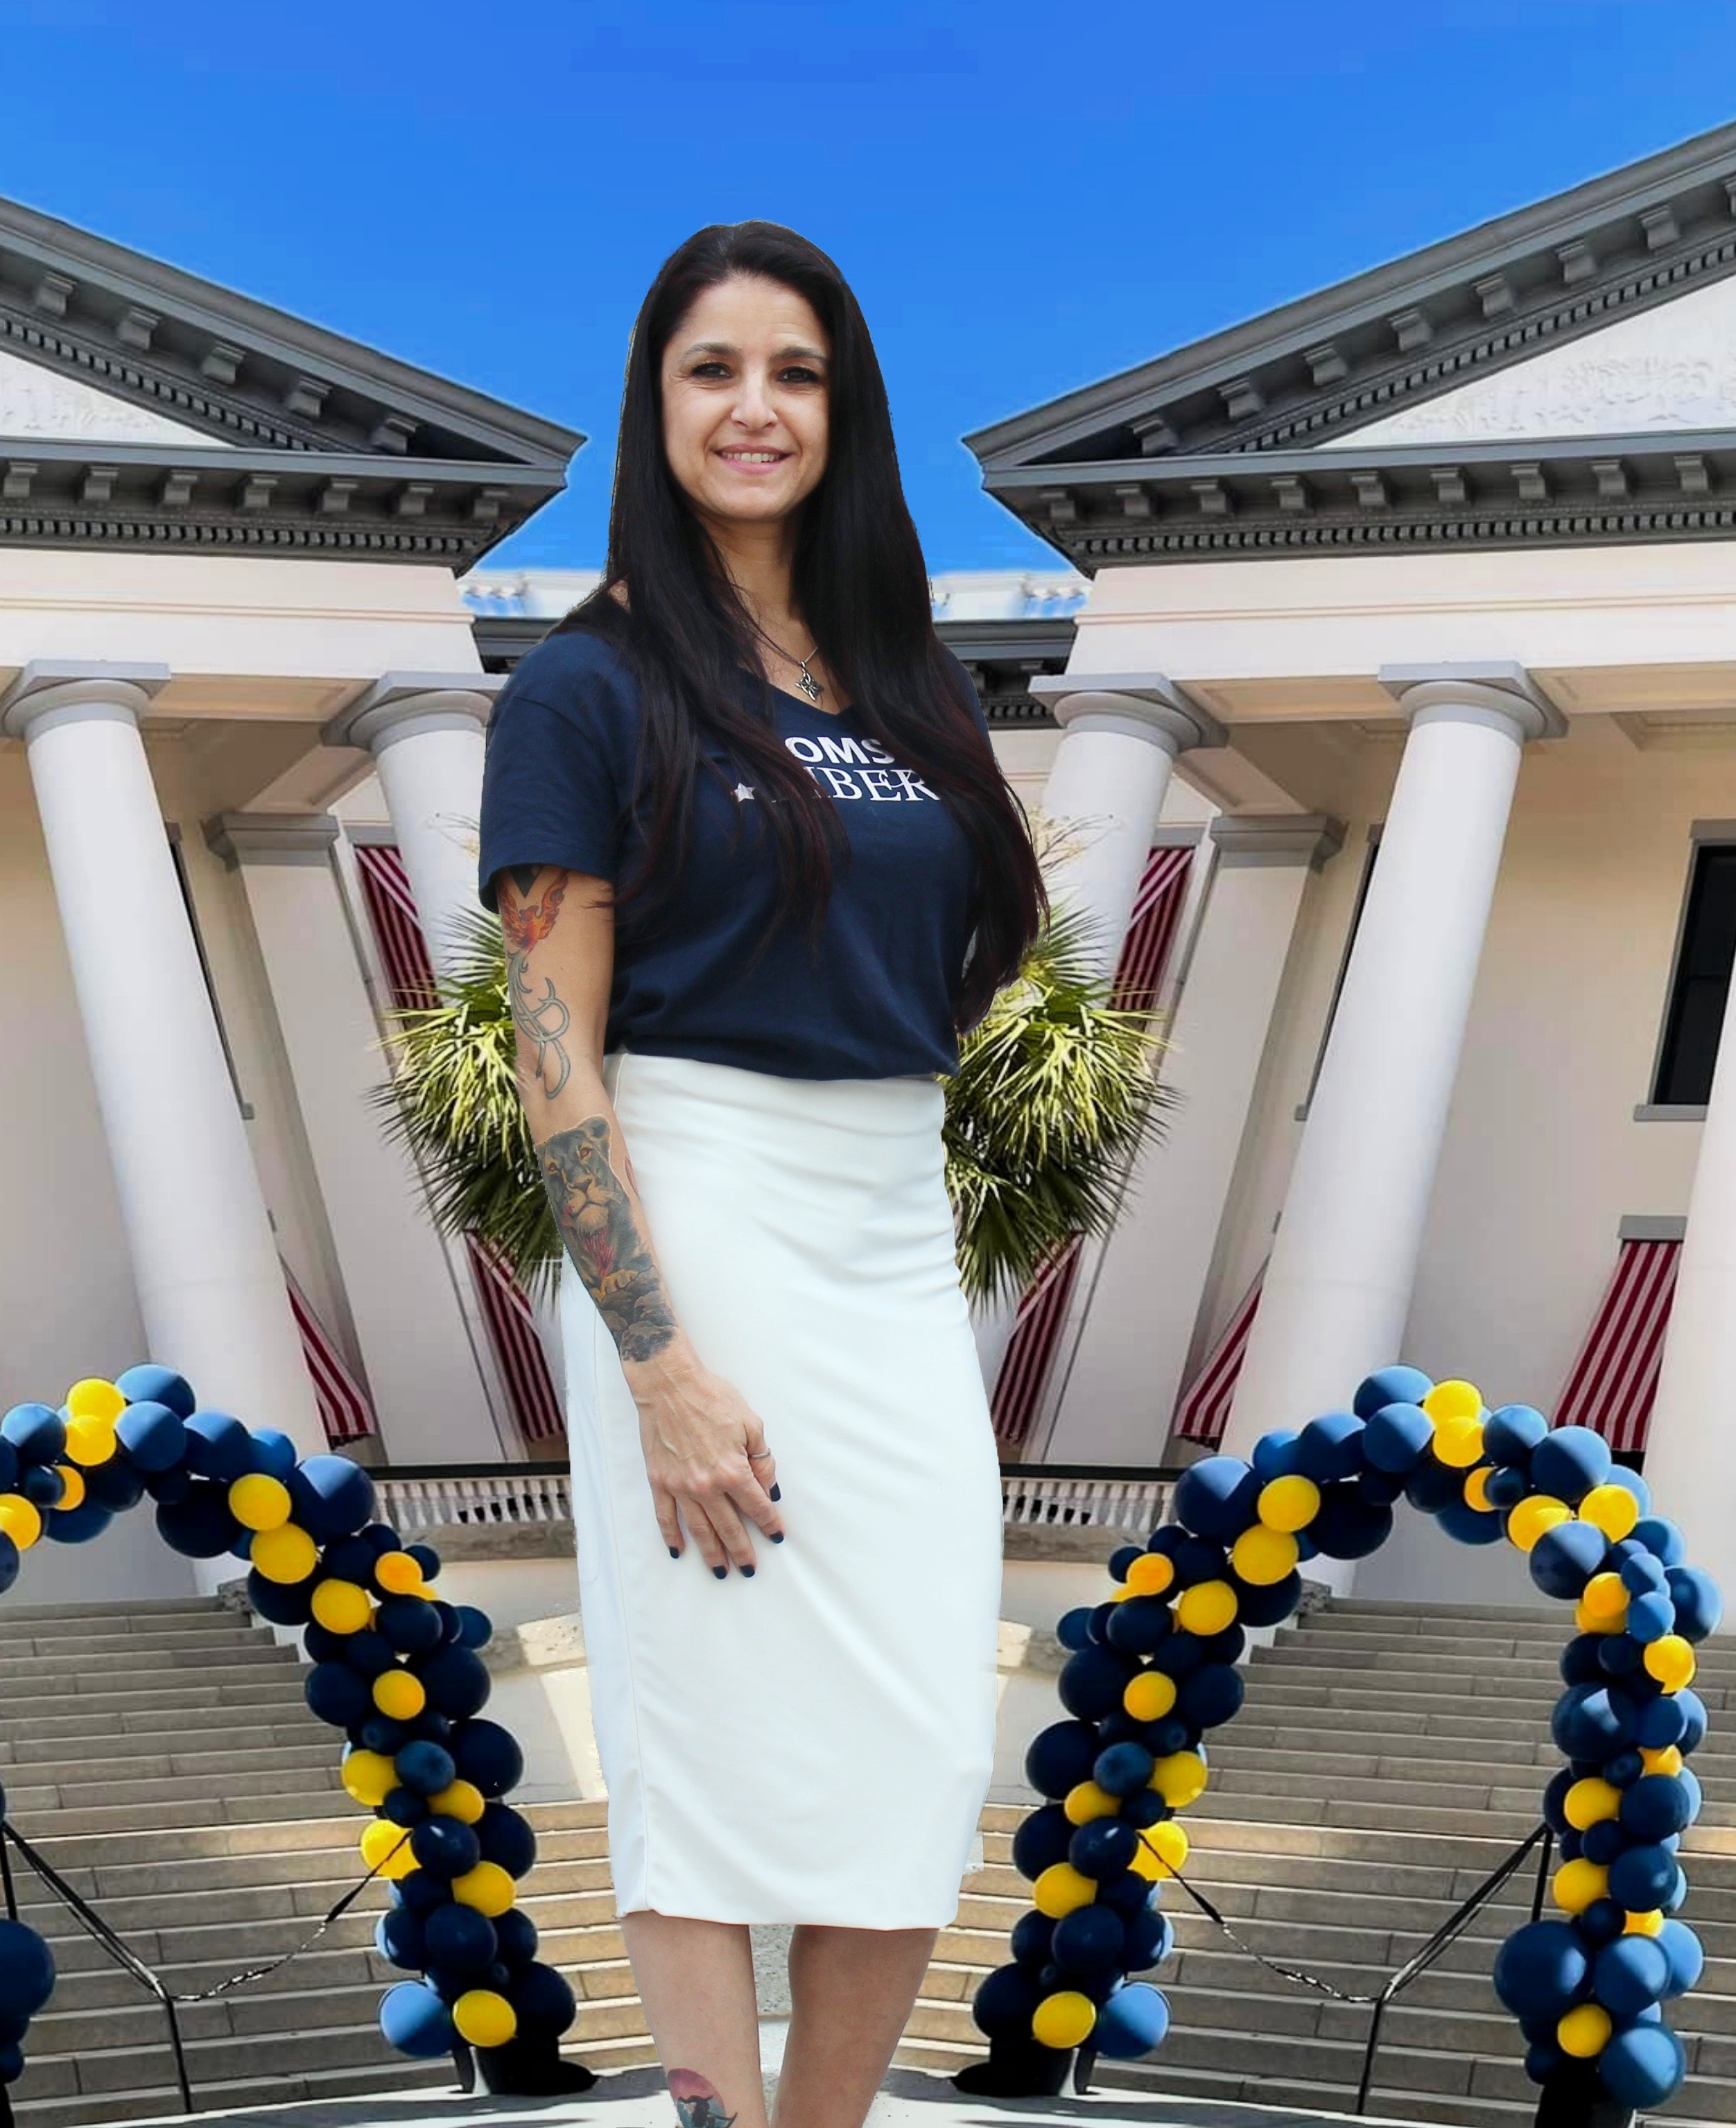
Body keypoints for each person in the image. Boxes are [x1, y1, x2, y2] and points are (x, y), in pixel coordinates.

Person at [477, 221, 1044, 2128]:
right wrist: (658, 1362)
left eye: (795, 372)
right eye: (712, 369)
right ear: (655, 405)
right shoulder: (586, 687)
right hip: (695, 1192)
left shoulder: (913, 685)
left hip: (892, 1219)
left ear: (845, 410)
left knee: (915, 1745)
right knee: (708, 1732)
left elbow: (952, 951)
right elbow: (555, 1060)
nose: (755, 408)